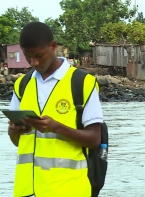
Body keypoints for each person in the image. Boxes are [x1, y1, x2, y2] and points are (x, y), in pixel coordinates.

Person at [8, 22, 104, 197]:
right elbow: (18, 142)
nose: (34, 62)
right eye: (27, 57)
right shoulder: (22, 85)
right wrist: (13, 131)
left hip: (69, 190)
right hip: (26, 191)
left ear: (53, 46)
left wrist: (56, 127)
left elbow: (94, 140)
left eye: (39, 55)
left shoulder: (82, 83)